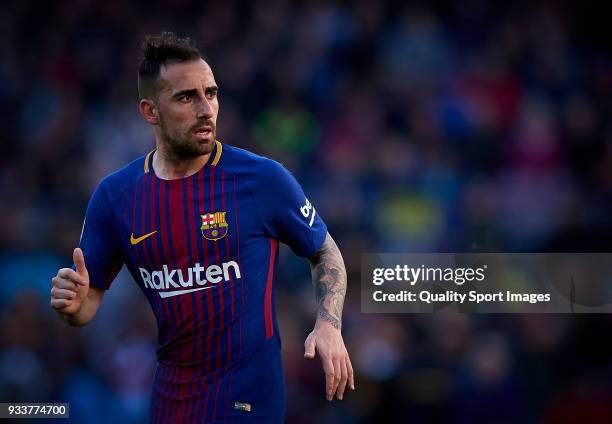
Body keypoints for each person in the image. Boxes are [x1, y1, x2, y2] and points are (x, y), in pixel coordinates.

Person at [49, 31, 354, 422]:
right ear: (149, 111)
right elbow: (87, 302)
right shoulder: (116, 196)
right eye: (186, 97)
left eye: (210, 93)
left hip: (249, 396)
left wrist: (329, 325)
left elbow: (324, 250)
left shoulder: (262, 180)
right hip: (171, 397)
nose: (206, 109)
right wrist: (71, 305)